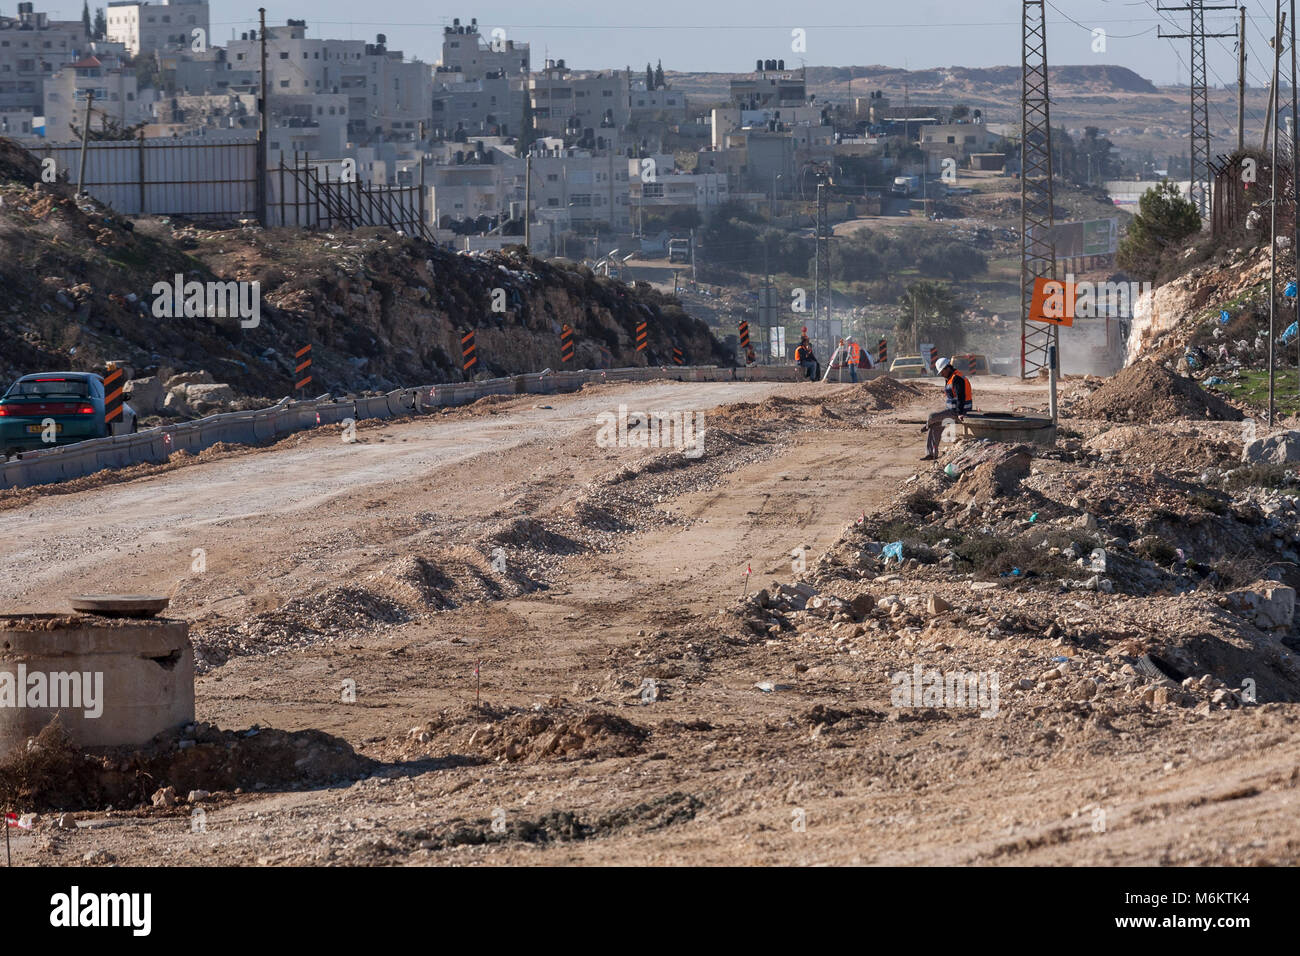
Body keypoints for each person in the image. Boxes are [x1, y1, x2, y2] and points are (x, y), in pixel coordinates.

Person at [921, 356, 972, 461]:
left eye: (942, 372)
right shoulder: (950, 378)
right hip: (952, 411)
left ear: (947, 368)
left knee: (932, 416)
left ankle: (927, 425)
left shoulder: (957, 378)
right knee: (935, 425)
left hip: (958, 412)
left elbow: (961, 397)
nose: (941, 374)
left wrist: (960, 413)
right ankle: (931, 454)